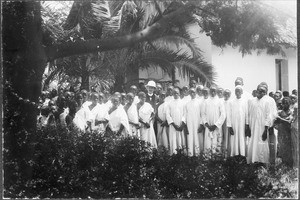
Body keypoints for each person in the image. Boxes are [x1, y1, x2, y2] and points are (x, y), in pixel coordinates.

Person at [247, 85, 270, 165]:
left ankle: (262, 162)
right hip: (252, 126)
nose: (260, 92)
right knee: (252, 142)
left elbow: (268, 116)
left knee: (261, 143)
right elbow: (248, 114)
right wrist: (248, 127)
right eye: (258, 90)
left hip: (262, 128)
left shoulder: (267, 102)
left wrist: (265, 130)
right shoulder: (251, 101)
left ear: (265, 93)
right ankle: (253, 160)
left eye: (262, 91)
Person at [202, 85, 226, 154]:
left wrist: (215, 125)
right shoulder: (206, 102)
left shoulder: (220, 101)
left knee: (216, 143)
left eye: (214, 91)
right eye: (211, 90)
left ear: (216, 92)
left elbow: (223, 114)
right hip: (208, 127)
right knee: (208, 143)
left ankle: (216, 160)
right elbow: (203, 114)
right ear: (209, 91)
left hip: (216, 127)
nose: (213, 92)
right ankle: (207, 159)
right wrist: (206, 123)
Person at [227, 86, 248, 158]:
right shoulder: (231, 102)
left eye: (239, 91)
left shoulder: (245, 101)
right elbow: (229, 114)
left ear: (242, 92)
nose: (238, 93)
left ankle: (242, 154)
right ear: (235, 92)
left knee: (242, 138)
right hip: (234, 123)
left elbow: (247, 114)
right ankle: (235, 154)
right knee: (234, 138)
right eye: (236, 91)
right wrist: (229, 126)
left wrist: (246, 125)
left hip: (242, 124)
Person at [274, 97, 293, 167]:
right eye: (283, 103)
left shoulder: (292, 112)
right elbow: (275, 121)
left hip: (288, 132)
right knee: (281, 147)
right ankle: (283, 163)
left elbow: (289, 122)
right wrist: (284, 120)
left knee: (288, 147)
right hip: (281, 132)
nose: (285, 104)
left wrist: (281, 120)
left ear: (290, 103)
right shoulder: (279, 112)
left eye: (287, 103)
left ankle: (289, 163)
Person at [166, 88, 186, 154]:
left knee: (180, 140)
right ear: (172, 94)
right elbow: (168, 115)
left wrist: (182, 124)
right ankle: (174, 155)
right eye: (174, 93)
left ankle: (182, 155)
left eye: (177, 93)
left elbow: (185, 114)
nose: (176, 94)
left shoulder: (183, 103)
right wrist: (174, 125)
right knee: (173, 140)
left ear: (179, 93)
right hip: (173, 126)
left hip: (180, 125)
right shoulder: (170, 103)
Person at [183, 88, 201, 156]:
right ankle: (190, 155)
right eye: (191, 93)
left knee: (197, 138)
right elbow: (185, 115)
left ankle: (197, 154)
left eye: (193, 92)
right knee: (190, 138)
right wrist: (185, 126)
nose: (192, 94)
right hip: (189, 124)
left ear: (196, 93)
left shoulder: (199, 102)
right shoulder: (187, 104)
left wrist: (201, 124)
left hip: (197, 123)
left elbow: (202, 114)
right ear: (189, 94)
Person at [222, 89, 232, 157]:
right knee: (222, 137)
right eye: (225, 94)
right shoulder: (221, 102)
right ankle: (222, 153)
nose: (226, 95)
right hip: (221, 122)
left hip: (229, 122)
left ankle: (227, 154)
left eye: (228, 94)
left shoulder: (231, 102)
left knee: (228, 138)